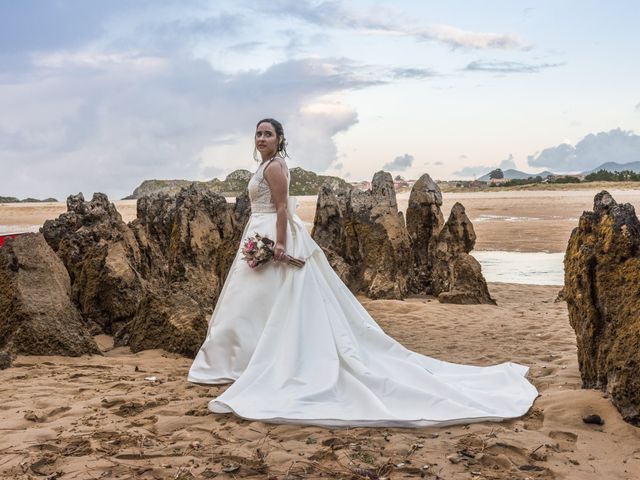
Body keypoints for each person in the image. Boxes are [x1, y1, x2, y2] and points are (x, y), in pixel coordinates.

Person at [188, 118, 538, 427]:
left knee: (261, 298)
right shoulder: (267, 164)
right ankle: (245, 360)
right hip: (258, 230)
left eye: (268, 134)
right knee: (255, 300)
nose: (261, 138)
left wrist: (279, 245)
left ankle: (252, 362)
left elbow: (281, 208)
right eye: (258, 134)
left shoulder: (274, 168)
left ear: (280, 139)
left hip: (271, 233)